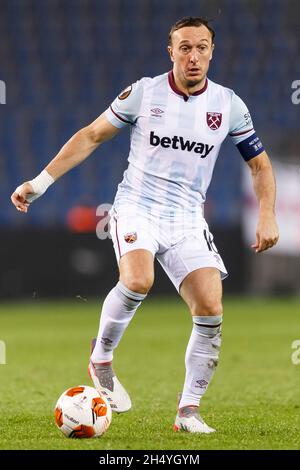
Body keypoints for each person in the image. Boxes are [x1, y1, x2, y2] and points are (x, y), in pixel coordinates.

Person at [11, 16, 279, 434]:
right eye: (185, 47)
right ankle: (101, 358)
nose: (194, 56)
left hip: (188, 218)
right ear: (170, 51)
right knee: (138, 280)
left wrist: (266, 213)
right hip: (137, 207)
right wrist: (40, 183)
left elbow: (259, 164)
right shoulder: (144, 92)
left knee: (210, 308)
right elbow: (91, 136)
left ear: (212, 51)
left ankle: (188, 411)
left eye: (202, 47)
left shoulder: (229, 104)